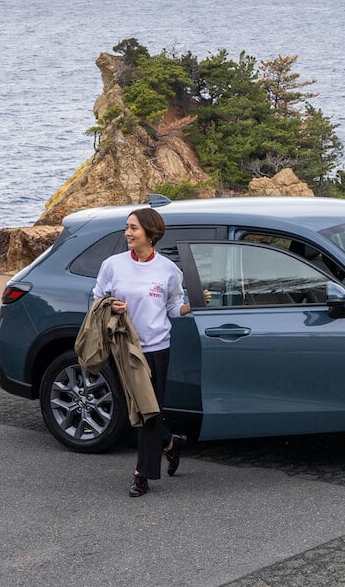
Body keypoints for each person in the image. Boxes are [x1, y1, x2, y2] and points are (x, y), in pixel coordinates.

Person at [92, 207, 192, 497]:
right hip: (123, 347)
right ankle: (171, 444)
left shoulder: (168, 270)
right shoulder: (113, 265)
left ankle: (142, 475)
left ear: (151, 233)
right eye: (127, 227)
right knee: (137, 411)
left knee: (149, 411)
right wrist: (111, 305)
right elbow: (98, 299)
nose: (127, 233)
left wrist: (191, 306)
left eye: (133, 228)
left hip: (156, 348)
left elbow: (173, 307)